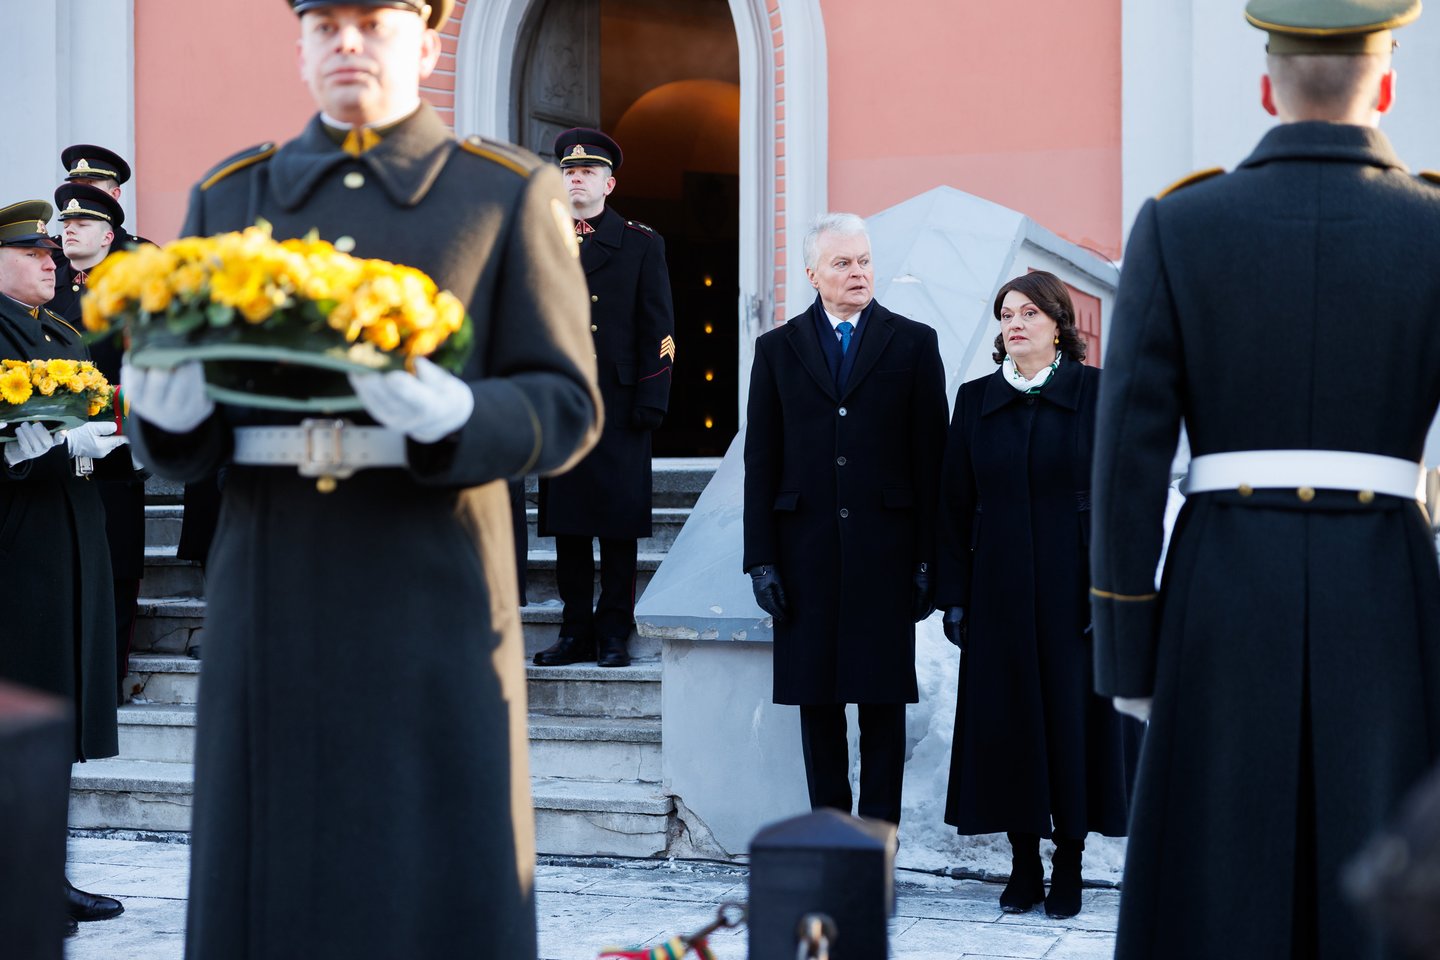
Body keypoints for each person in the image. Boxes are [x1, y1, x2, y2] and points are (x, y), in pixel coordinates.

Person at [124, 2, 601, 957]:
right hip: (272, 578)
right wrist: (166, 417)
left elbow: (566, 404)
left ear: (425, 45)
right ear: (300, 46)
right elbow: (186, 435)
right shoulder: (233, 195)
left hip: (430, 579)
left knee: (427, 869)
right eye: (325, 24)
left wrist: (462, 414)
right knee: (269, 872)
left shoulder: (502, 192)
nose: (347, 42)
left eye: (374, 22)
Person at [1090, 1, 1440, 955]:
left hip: (1222, 592)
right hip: (1388, 592)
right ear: (1386, 86)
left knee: (1217, 888)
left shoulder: (1180, 223)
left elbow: (1125, 461)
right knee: (1382, 894)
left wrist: (1128, 653)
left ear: (1264, 88)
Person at [935, 271, 1139, 919]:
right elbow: (953, 504)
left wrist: (1115, 593)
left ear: (1058, 323)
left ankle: (1069, 862)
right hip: (996, 588)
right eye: (1006, 314)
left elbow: (1124, 498)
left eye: (1029, 312)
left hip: (1077, 588)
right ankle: (1023, 862)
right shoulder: (975, 400)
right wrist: (954, 596)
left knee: (1073, 725)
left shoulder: (1098, 394)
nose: (1015, 323)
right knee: (1008, 724)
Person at [742, 212, 947, 826]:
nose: (858, 273)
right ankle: (833, 843)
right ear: (813, 274)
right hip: (803, 554)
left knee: (883, 704)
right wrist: (761, 561)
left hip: (887, 553)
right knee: (818, 705)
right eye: (842, 263)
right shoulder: (775, 350)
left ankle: (880, 843)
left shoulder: (914, 343)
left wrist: (928, 559)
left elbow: (931, 461)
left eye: (863, 261)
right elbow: (761, 463)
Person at [0, 200, 129, 936]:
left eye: (51, 252)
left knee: (57, 712)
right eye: (31, 254)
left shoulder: (58, 330)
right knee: (25, 713)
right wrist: (46, 452)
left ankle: (46, 873)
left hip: (71, 531)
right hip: (19, 539)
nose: (50, 262)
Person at [534, 127, 675, 669]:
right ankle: (575, 632)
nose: (577, 179)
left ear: (609, 183)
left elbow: (659, 327)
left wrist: (652, 397)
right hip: (562, 404)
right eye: (569, 171)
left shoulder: (641, 243)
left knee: (618, 526)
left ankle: (614, 631)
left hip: (620, 403)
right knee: (569, 529)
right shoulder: (541, 240)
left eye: (588, 171)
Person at [46, 183, 147, 694]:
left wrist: (125, 426)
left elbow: (143, 366)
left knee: (117, 563)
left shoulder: (130, 289)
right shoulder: (48, 289)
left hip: (114, 445)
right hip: (54, 448)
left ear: (108, 236)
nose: (69, 232)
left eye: (81, 225)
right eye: (65, 225)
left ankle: (110, 679)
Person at [57, 144, 149, 247]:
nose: (80, 190)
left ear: (114, 194)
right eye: (75, 184)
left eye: (89, 183)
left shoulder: (141, 252)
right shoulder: (52, 252)